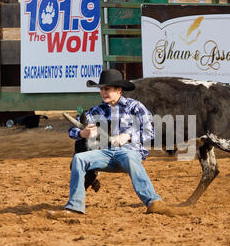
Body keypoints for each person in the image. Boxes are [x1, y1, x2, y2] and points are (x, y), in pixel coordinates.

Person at [48, 69, 185, 218]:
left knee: (129, 157)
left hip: (129, 152)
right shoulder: (96, 111)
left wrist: (128, 136)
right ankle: (74, 208)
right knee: (79, 159)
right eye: (101, 89)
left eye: (107, 89)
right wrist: (82, 133)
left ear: (119, 90)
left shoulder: (135, 107)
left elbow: (150, 132)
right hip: (106, 154)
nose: (103, 93)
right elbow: (72, 130)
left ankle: (154, 202)